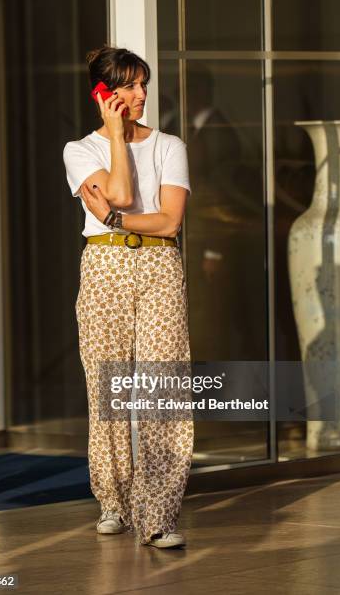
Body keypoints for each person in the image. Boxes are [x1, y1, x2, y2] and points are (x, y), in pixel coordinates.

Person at [63, 44, 194, 549]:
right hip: (104, 267)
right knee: (108, 388)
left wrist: (115, 218)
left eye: (144, 84)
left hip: (160, 263)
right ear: (104, 92)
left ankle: (159, 513)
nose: (142, 94)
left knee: (164, 384)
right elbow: (118, 191)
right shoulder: (81, 150)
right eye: (131, 86)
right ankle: (114, 501)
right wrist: (116, 135)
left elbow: (168, 220)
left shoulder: (169, 145)